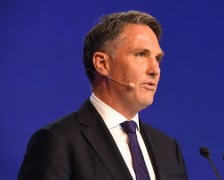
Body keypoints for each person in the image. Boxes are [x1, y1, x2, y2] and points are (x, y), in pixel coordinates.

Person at [18, 10, 188, 180]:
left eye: (158, 59)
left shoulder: (168, 149)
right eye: (141, 55)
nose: (155, 70)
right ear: (102, 64)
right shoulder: (58, 141)